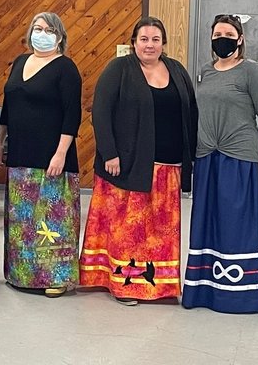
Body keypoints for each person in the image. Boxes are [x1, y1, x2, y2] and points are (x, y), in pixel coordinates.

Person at [79, 16, 197, 305]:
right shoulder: (119, 69)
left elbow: (191, 113)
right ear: (133, 43)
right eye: (144, 39)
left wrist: (189, 159)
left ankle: (160, 286)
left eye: (155, 39)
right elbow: (101, 111)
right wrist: (110, 153)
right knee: (128, 229)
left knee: (159, 232)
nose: (149, 45)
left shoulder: (177, 70)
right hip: (127, 165)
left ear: (163, 44)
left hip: (168, 168)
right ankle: (124, 285)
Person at [181, 14, 258, 314]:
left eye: (228, 33)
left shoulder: (251, 72)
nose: (222, 38)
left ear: (240, 39)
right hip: (207, 157)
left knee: (235, 225)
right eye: (217, 33)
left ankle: (238, 293)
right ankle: (202, 289)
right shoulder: (205, 72)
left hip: (238, 160)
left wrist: (247, 147)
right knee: (207, 221)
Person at [0, 12, 82, 298]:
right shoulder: (20, 62)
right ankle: (22, 274)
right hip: (20, 155)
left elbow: (72, 116)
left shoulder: (65, 68)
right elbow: (8, 107)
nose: (41, 33)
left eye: (48, 29)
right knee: (23, 222)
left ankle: (56, 276)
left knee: (52, 220)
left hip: (51, 159)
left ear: (59, 36)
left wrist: (60, 154)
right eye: (36, 28)